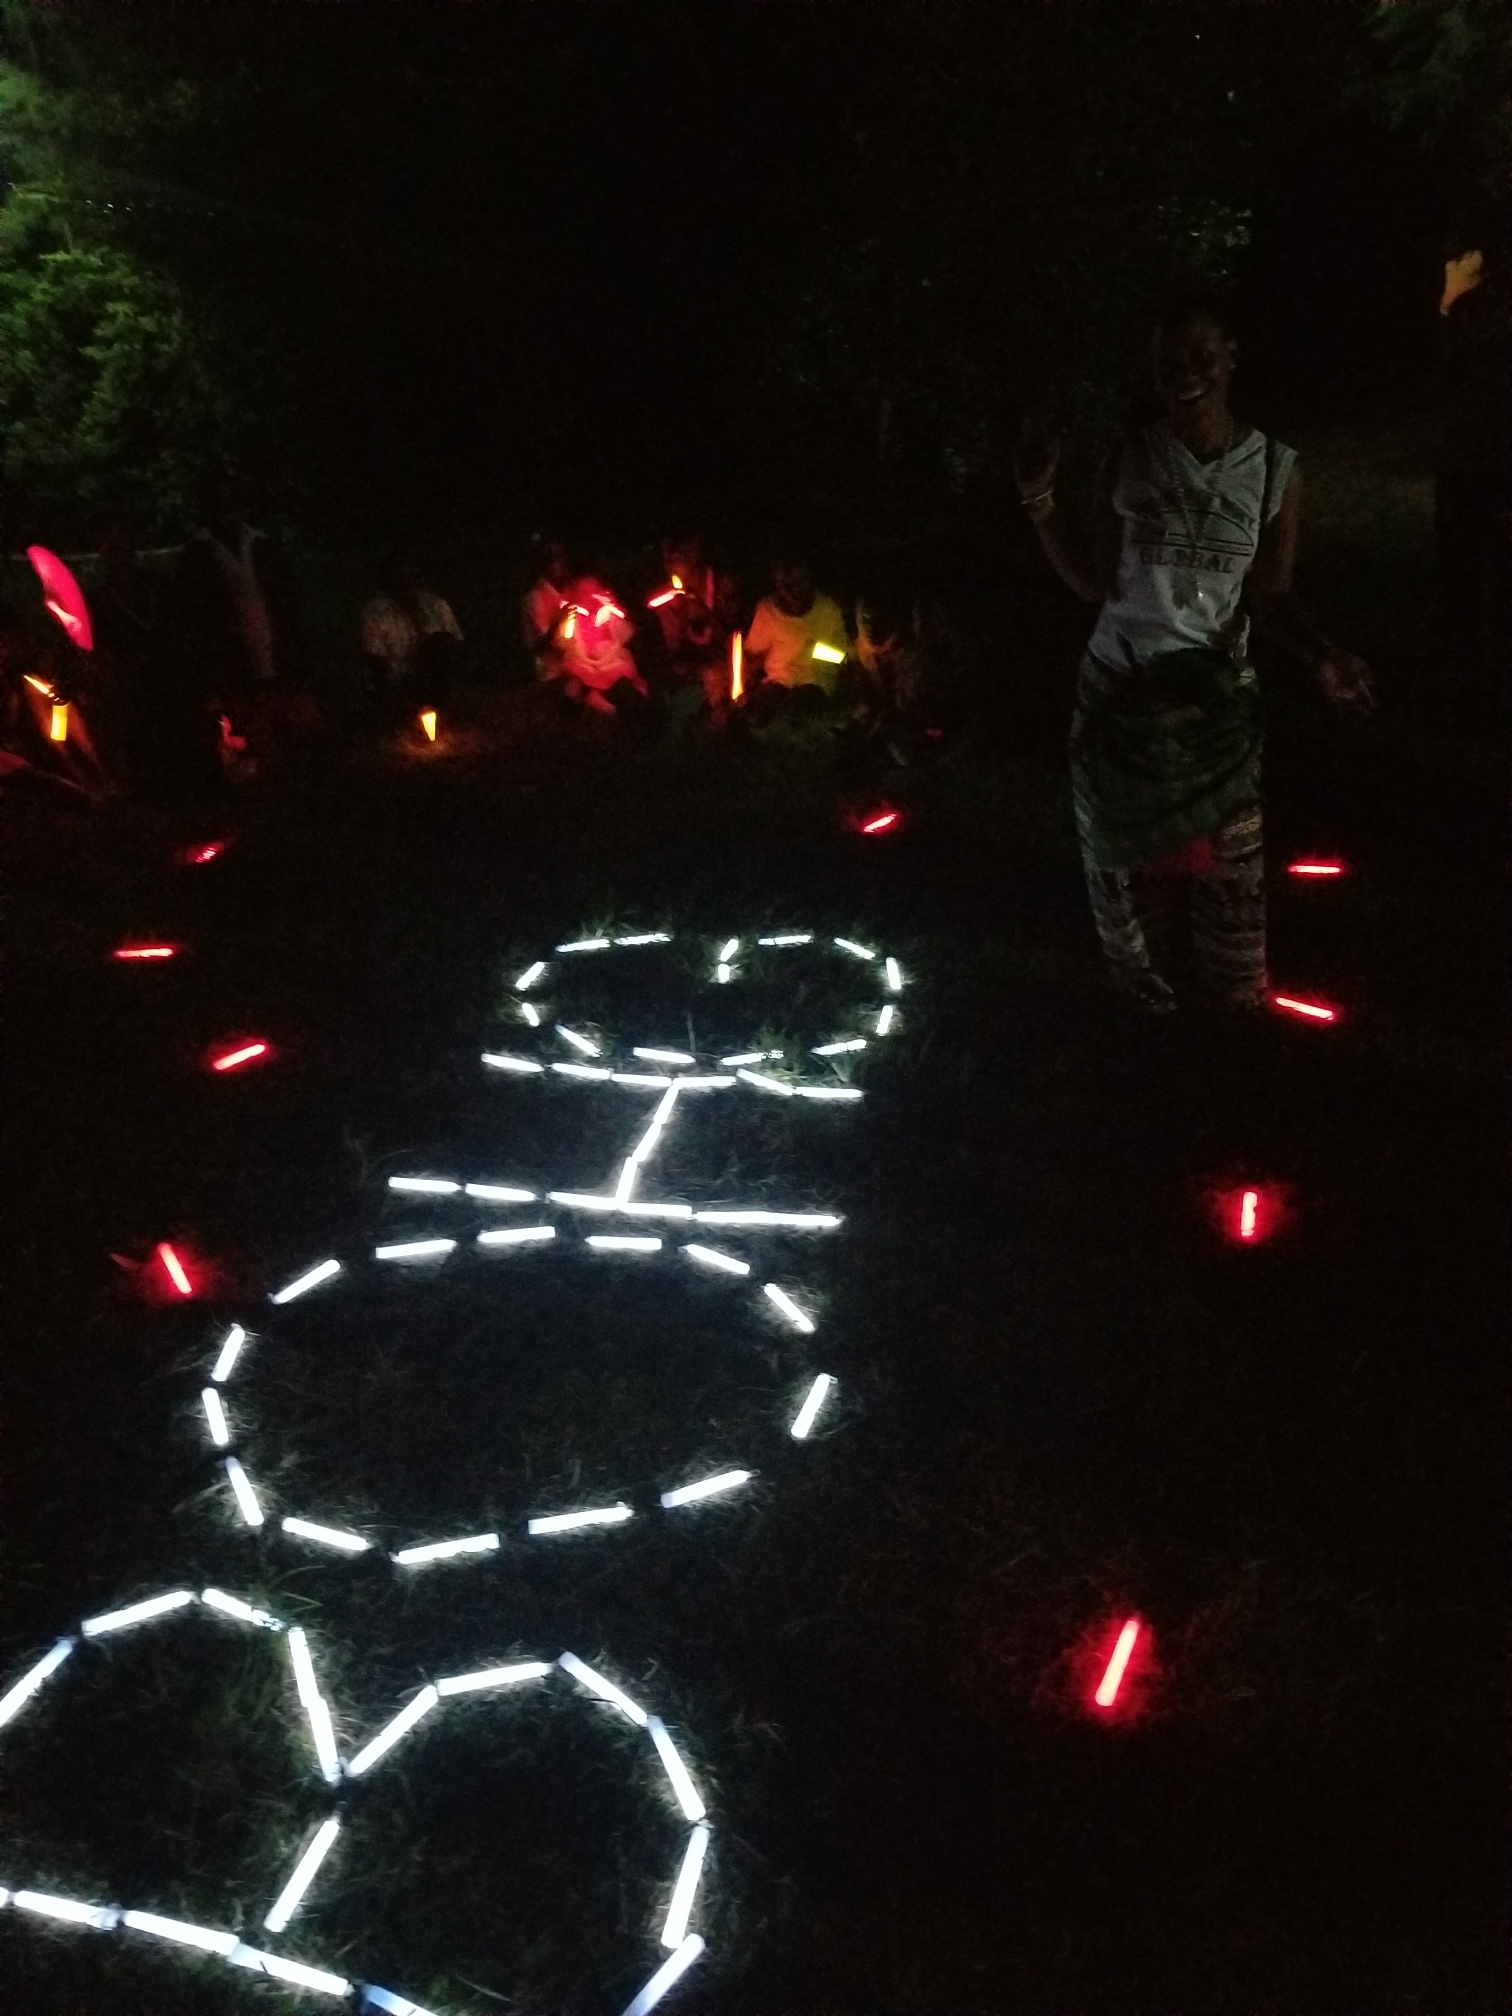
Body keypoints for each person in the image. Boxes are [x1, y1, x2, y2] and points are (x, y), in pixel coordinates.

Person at [1014, 290, 1374, 1016]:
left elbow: (1270, 593)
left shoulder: (1272, 469)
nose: (1184, 374)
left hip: (1214, 706)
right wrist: (1040, 501)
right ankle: (1146, 1007)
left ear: (1232, 356)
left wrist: (1321, 656)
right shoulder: (1131, 457)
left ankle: (1233, 1008)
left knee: (1229, 872)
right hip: (1119, 693)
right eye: (1168, 362)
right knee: (1124, 870)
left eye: (1202, 356)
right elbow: (1095, 583)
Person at [1431, 226, 1510, 692]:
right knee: (1467, 565)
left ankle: (1475, 662)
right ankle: (1465, 663)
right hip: (1472, 456)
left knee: (1481, 564)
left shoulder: (1474, 311)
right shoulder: (1470, 310)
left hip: (1482, 455)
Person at [361, 551, 464, 729]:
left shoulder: (437, 606)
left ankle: (444, 706)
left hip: (437, 678)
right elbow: (375, 664)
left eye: (414, 578)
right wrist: (392, 700)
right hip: (401, 684)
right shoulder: (377, 614)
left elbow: (457, 646)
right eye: (401, 580)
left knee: (441, 641)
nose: (409, 585)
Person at [742, 556, 850, 713]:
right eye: (781, 585)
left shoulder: (828, 610)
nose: (788, 592)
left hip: (816, 683)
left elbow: (843, 657)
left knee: (798, 707)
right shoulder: (767, 610)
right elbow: (753, 653)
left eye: (795, 583)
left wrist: (817, 651)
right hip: (777, 682)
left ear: (808, 579)